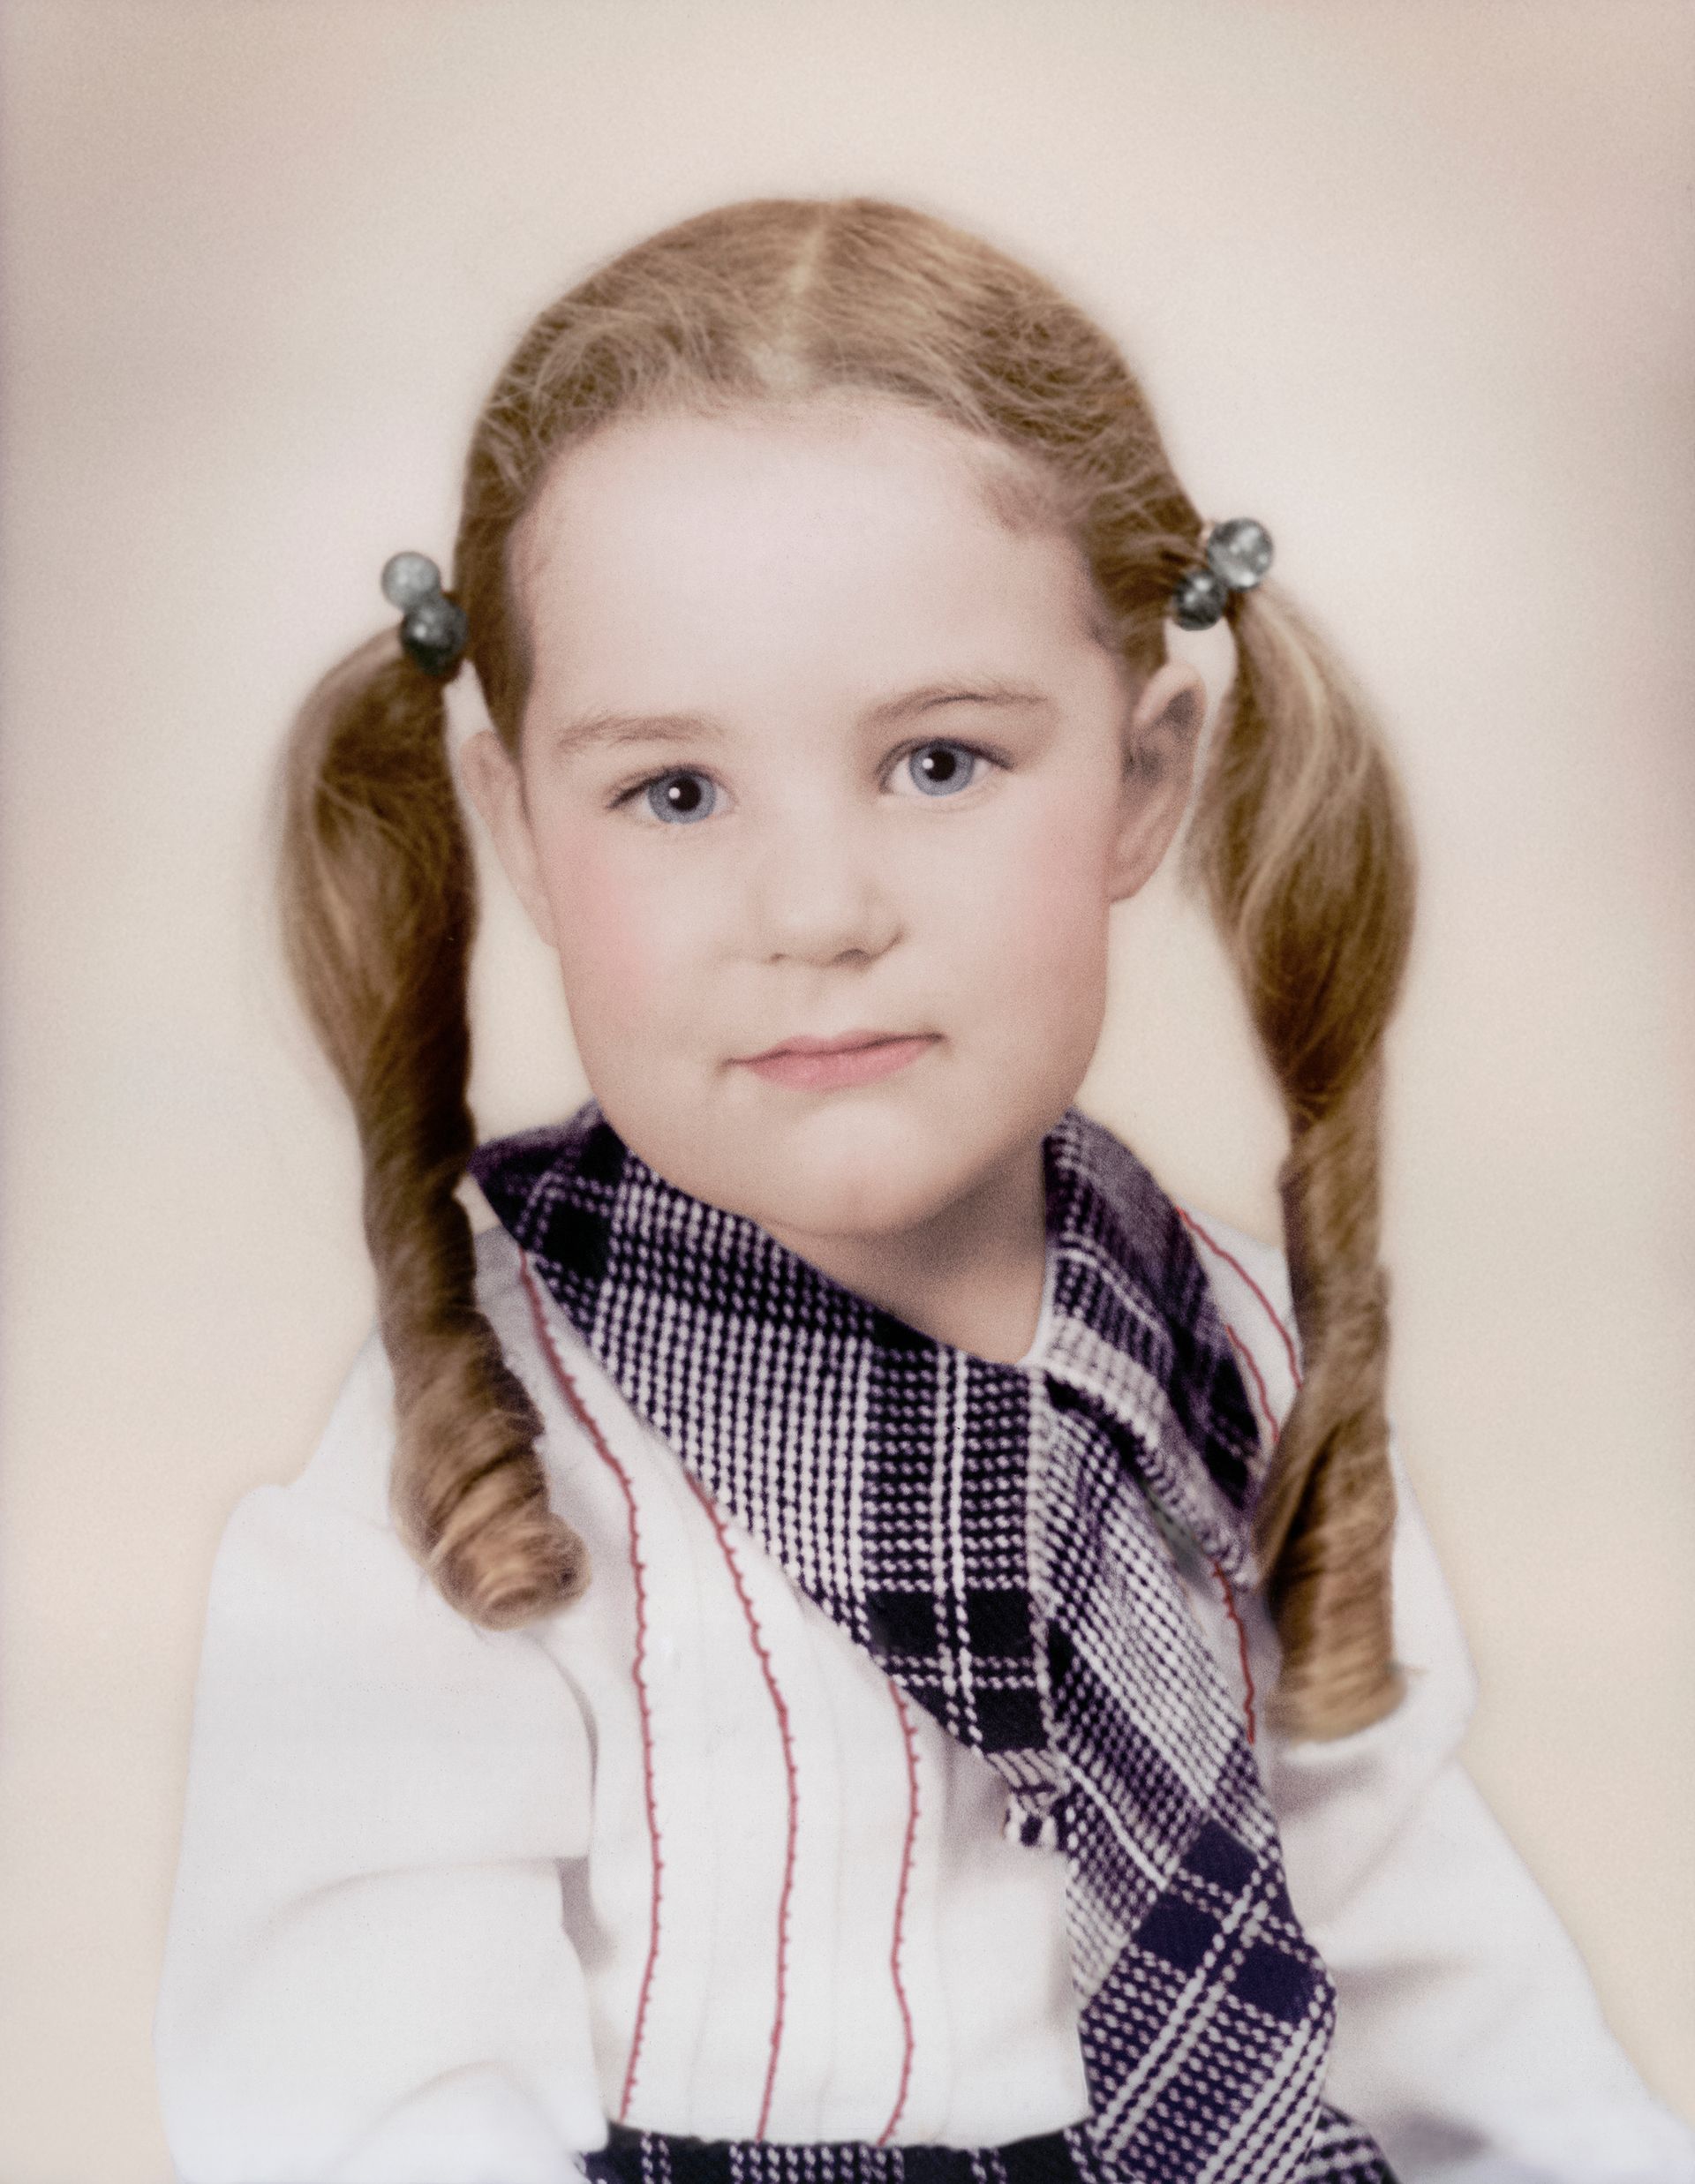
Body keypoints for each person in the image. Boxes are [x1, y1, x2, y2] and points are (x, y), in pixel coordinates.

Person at [153, 197, 1695, 2184]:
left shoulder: (1233, 1351)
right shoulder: (476, 1457)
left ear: (1143, 782)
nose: (820, 911)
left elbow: (1426, 1976)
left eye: (943, 763)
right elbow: (353, 2103)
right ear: (517, 826)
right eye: (675, 793)